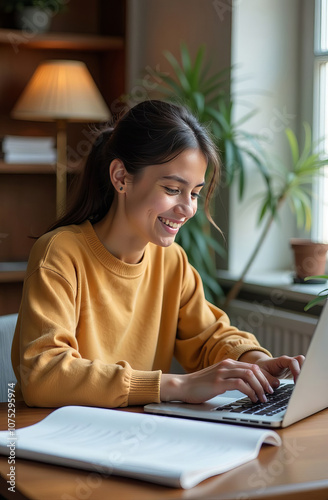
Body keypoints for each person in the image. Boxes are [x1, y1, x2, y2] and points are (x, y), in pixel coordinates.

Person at [11, 100, 304, 408]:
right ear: (121, 177)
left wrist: (253, 362)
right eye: (171, 189)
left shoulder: (171, 261)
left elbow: (208, 337)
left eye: (194, 193)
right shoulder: (59, 253)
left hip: (136, 435)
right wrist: (177, 385)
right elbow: (43, 375)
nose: (188, 208)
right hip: (56, 438)